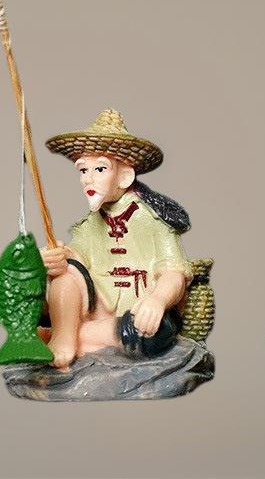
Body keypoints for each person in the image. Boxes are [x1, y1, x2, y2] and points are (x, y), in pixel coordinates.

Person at [41, 109, 193, 369]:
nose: (88, 179)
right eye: (83, 170)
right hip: (99, 306)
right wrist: (57, 260)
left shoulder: (154, 220)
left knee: (144, 334)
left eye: (100, 169)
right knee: (63, 273)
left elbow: (174, 273)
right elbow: (77, 264)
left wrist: (158, 299)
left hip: (139, 313)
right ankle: (64, 341)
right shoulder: (88, 225)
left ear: (124, 176)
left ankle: (64, 336)